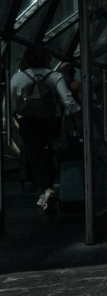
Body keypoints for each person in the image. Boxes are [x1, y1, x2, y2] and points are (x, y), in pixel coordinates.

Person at [9, 44, 80, 211]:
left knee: (35, 155)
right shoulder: (54, 76)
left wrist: (7, 122)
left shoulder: (18, 78)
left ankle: (46, 189)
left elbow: (9, 105)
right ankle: (49, 188)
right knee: (50, 153)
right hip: (50, 121)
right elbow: (68, 101)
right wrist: (79, 120)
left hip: (27, 122)